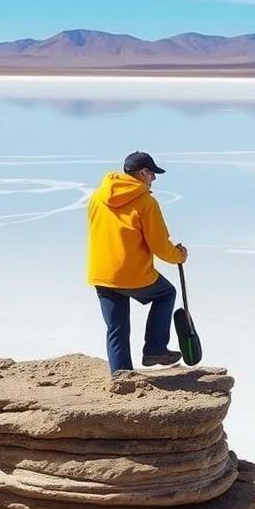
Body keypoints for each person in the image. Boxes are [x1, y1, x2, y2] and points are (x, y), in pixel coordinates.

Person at [87, 150, 188, 373]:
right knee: (166, 294)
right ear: (143, 173)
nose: (154, 178)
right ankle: (155, 348)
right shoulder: (146, 202)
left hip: (102, 274)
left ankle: (121, 377)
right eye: (152, 173)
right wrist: (179, 255)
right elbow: (160, 247)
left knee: (117, 328)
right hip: (132, 273)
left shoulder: (96, 197)